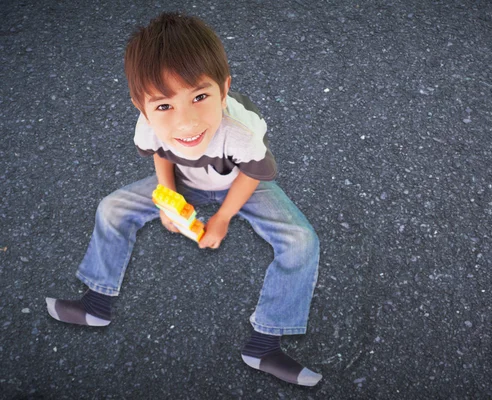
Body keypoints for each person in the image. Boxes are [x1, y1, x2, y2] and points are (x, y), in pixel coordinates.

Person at [45, 12, 322, 387]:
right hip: (186, 181)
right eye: (163, 106)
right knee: (113, 207)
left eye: (200, 97)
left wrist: (223, 218)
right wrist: (169, 196)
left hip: (239, 182)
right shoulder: (148, 128)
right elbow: (162, 153)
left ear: (224, 90)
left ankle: (264, 343)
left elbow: (253, 175)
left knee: (301, 239)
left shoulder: (242, 134)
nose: (186, 122)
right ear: (141, 106)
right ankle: (96, 304)